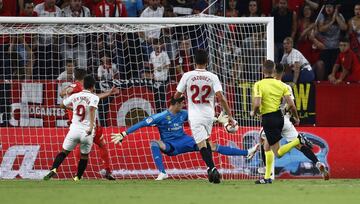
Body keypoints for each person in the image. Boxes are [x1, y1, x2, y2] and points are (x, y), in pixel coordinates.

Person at [111, 96, 259, 180]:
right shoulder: (161, 116)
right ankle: (162, 172)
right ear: (174, 104)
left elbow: (200, 117)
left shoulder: (183, 113)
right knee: (154, 143)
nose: (184, 105)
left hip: (186, 140)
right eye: (181, 103)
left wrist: (217, 120)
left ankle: (248, 152)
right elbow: (142, 123)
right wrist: (124, 134)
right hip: (171, 145)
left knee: (211, 146)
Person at [173, 49, 235, 184]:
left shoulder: (187, 76)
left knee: (201, 145)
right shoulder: (213, 77)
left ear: (194, 61)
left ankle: (212, 169)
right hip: (209, 115)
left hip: (195, 116)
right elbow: (221, 98)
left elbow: (176, 96)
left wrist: (184, 96)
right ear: (207, 61)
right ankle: (210, 171)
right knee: (206, 142)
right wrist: (229, 115)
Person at [258, 63, 329, 180]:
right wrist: (296, 118)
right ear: (283, 73)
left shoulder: (267, 85)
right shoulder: (287, 87)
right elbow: (292, 105)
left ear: (273, 72)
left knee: (264, 140)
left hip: (272, 119)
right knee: (300, 146)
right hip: (285, 120)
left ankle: (266, 168)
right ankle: (317, 163)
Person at [251, 60, 312, 184]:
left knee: (277, 153)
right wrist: (296, 117)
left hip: (269, 118)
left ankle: (298, 140)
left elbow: (257, 104)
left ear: (262, 71)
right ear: (273, 71)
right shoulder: (282, 85)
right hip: (280, 117)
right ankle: (267, 177)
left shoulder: (258, 84)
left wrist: (254, 112)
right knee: (266, 147)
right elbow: (291, 104)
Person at [59, 68, 119, 180]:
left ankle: (80, 174)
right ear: (85, 77)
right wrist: (68, 92)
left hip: (77, 125)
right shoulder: (77, 86)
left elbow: (62, 94)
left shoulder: (78, 88)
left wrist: (109, 93)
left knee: (83, 146)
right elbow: (63, 93)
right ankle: (107, 171)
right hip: (88, 124)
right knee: (101, 145)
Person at [43, 75, 99, 181]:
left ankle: (54, 169)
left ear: (83, 85)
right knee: (84, 156)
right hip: (87, 132)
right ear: (92, 86)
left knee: (64, 152)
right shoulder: (94, 97)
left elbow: (62, 105)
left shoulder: (75, 96)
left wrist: (72, 108)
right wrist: (91, 127)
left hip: (74, 130)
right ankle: (77, 177)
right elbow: (92, 110)